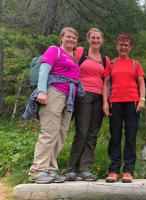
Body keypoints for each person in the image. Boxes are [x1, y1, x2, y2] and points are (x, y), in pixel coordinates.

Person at [28, 27, 83, 184]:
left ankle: (51, 169)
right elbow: (44, 70)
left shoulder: (72, 57)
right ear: (61, 38)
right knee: (49, 132)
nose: (71, 39)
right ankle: (37, 171)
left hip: (68, 98)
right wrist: (42, 91)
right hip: (54, 93)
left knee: (61, 133)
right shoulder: (54, 50)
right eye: (68, 37)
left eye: (74, 38)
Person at [65, 28, 110, 181]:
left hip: (98, 97)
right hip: (83, 95)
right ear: (88, 39)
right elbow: (69, 67)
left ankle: (85, 169)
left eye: (98, 38)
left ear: (102, 40)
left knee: (92, 134)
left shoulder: (106, 60)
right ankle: (71, 169)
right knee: (82, 132)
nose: (95, 40)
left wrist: (106, 102)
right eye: (93, 38)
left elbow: (105, 83)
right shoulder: (80, 52)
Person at [102, 33, 145, 183]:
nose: (123, 47)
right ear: (117, 46)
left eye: (126, 44)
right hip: (115, 103)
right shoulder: (111, 63)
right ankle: (114, 170)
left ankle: (128, 170)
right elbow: (106, 84)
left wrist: (142, 99)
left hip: (132, 103)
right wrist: (105, 102)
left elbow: (141, 83)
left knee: (130, 137)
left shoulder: (135, 63)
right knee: (115, 137)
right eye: (121, 44)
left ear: (130, 47)